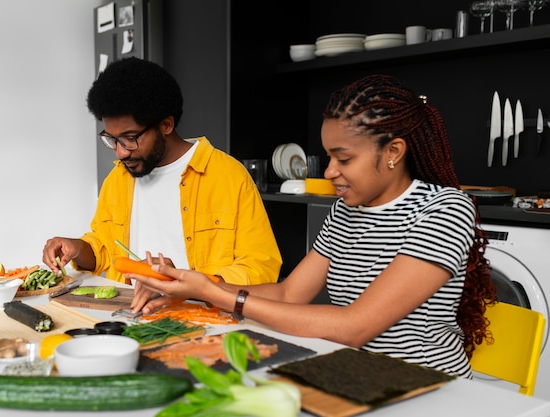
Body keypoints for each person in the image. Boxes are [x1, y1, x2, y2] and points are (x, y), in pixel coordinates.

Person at [129, 74, 497, 378]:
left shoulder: (445, 210)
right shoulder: (345, 211)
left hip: (425, 384)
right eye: (329, 156)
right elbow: (290, 294)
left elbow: (356, 326)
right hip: (354, 372)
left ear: (393, 153)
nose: (330, 171)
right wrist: (197, 288)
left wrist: (220, 295)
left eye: (344, 158)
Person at [42, 57, 282, 306]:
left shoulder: (229, 175)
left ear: (166, 124)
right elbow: (104, 246)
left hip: (205, 318)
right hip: (131, 314)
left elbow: (262, 267)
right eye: (112, 139)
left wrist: (193, 285)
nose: (121, 152)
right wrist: (78, 248)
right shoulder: (118, 179)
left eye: (130, 138)